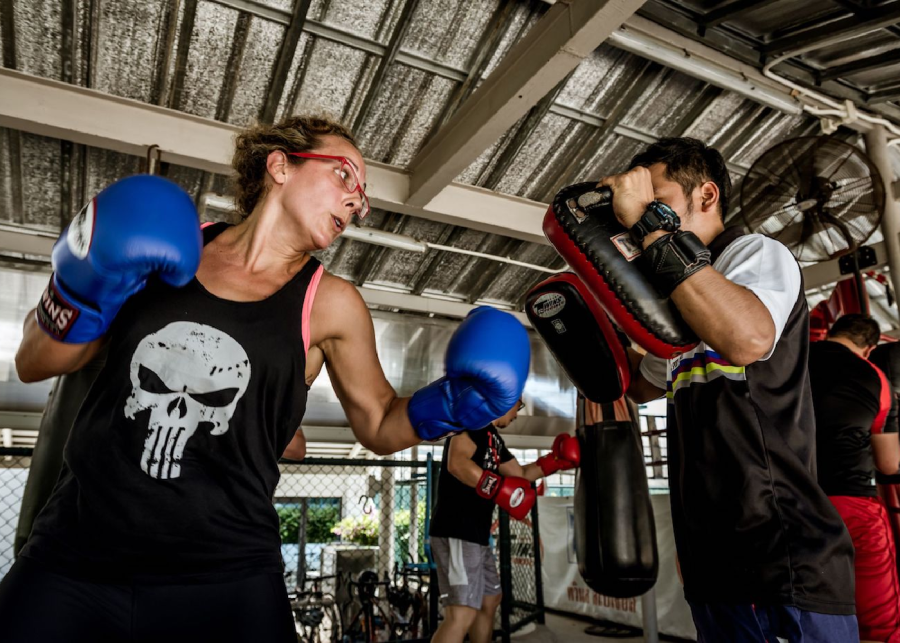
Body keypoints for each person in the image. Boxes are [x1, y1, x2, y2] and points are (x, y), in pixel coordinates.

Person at [1, 115, 529, 643]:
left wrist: (458, 404)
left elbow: (379, 424)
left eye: (362, 197)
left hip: (226, 572)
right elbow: (33, 363)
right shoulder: (169, 251)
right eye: (345, 176)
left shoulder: (330, 304)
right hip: (74, 555)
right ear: (280, 165)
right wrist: (83, 285)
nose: (356, 202)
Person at [609, 138, 858, 641]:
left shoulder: (753, 253)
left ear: (706, 195)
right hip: (712, 560)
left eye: (655, 200)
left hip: (780, 552)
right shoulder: (681, 302)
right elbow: (639, 386)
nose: (638, 218)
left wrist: (651, 227)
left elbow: (747, 337)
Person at [429, 401, 579, 643]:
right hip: (457, 530)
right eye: (517, 407)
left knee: (490, 600)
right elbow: (457, 464)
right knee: (462, 612)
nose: (517, 415)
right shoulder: (472, 425)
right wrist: (496, 486)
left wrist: (556, 461)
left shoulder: (494, 441)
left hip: (476, 535)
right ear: (502, 401)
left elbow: (520, 476)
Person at [809, 314, 900, 642]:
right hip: (853, 503)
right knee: (879, 621)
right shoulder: (874, 375)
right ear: (869, 348)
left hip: (794, 501)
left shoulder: (792, 361)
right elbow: (889, 463)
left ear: (830, 333)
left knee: (804, 615)